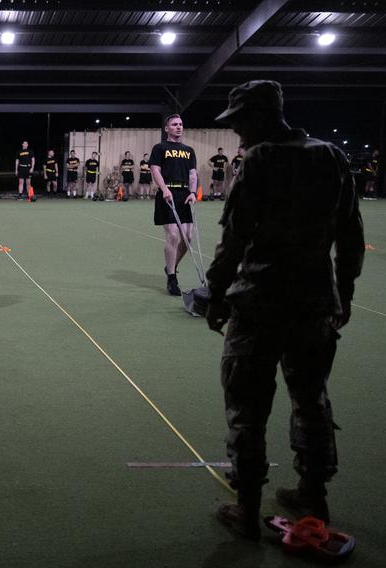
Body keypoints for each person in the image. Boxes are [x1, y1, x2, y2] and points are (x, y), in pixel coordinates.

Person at [206, 79, 365, 541]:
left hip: (259, 302)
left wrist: (216, 294)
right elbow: (350, 234)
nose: (237, 135)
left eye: (238, 125)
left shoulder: (260, 159)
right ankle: (313, 494)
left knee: (247, 407)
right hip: (315, 302)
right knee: (311, 399)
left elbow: (235, 236)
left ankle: (247, 507)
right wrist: (346, 293)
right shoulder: (331, 155)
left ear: (258, 117)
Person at [149, 114, 198, 296]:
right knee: (173, 236)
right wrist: (164, 189)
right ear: (167, 128)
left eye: (181, 124)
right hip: (167, 194)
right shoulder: (160, 148)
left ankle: (171, 265)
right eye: (175, 124)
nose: (179, 127)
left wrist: (193, 193)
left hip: (184, 195)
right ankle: (172, 278)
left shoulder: (189, 150)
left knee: (188, 238)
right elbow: (155, 170)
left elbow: (193, 175)